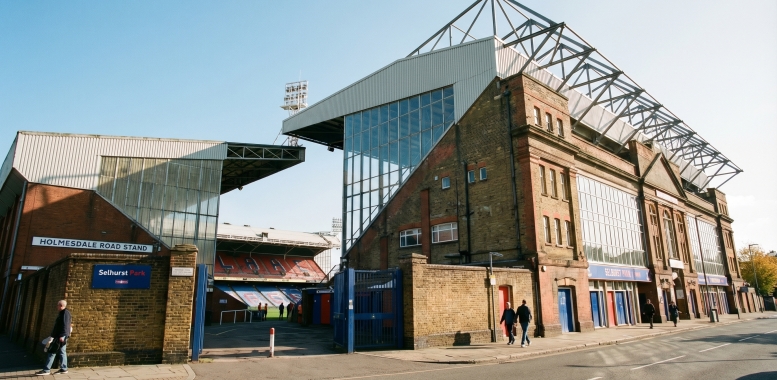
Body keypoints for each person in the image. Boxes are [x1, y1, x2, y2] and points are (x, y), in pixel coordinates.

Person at [36, 300, 71, 376]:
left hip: (60, 336)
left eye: (57, 305)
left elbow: (65, 325)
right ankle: (64, 368)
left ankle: (46, 370)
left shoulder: (65, 313)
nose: (56, 307)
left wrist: (63, 336)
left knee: (52, 351)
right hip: (59, 336)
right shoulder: (63, 313)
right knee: (62, 352)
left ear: (61, 305)